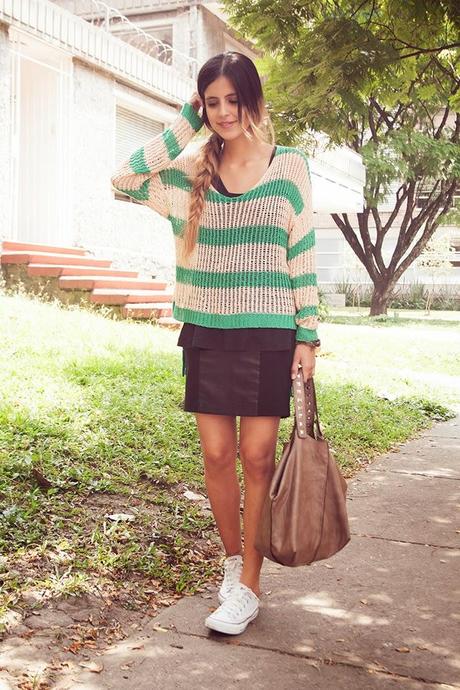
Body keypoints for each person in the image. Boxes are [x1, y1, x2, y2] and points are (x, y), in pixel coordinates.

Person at [111, 51, 320, 636]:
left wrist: (309, 335)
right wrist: (185, 120)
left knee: (257, 458)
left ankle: (250, 585)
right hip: (207, 331)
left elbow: (301, 254)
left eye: (233, 99)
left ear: (252, 100)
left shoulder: (290, 167)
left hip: (270, 333)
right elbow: (125, 176)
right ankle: (233, 566)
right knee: (216, 457)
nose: (224, 112)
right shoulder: (191, 172)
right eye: (213, 101)